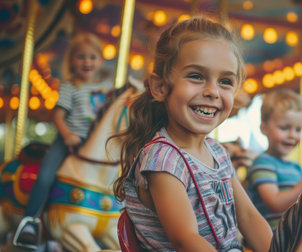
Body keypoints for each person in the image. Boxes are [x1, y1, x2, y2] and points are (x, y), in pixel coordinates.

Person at [111, 17, 272, 251]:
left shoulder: (217, 152)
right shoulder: (163, 159)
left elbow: (248, 217)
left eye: (225, 81)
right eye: (196, 76)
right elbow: (185, 239)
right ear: (160, 87)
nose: (212, 91)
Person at [14, 33, 112, 249]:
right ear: (72, 61)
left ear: (100, 61)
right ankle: (29, 223)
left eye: (92, 57)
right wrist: (67, 135)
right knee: (46, 176)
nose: (87, 62)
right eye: (81, 57)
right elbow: (57, 116)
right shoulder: (70, 87)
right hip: (67, 139)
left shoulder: (104, 90)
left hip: (90, 144)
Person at [246, 89, 302, 231]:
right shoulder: (263, 164)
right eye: (284, 128)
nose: (292, 135)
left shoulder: (295, 167)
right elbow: (275, 203)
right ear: (264, 128)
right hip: (274, 238)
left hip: (296, 234)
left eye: (298, 129)